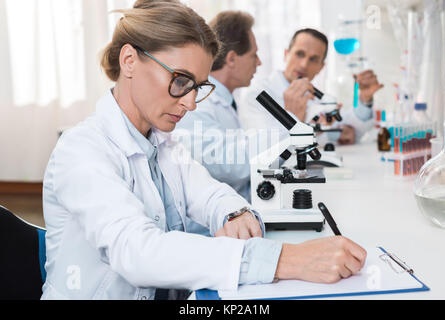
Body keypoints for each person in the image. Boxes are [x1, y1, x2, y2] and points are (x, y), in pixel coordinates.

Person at [41, 1, 367, 300]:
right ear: (129, 60)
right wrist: (286, 259)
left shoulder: (164, 143)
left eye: (197, 86)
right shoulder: (82, 151)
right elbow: (136, 252)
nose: (191, 102)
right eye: (180, 80)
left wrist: (234, 212)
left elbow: (211, 194)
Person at [240, 28, 384, 145]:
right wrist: (294, 117)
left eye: (313, 59)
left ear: (321, 67)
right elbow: (265, 149)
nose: (304, 65)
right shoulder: (257, 97)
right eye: (299, 54)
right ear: (286, 54)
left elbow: (351, 131)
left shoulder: (315, 96)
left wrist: (365, 99)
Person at [176, 11, 261, 204]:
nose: (259, 62)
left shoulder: (225, 100)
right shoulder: (198, 102)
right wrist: (284, 133)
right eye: (253, 55)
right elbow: (226, 164)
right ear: (231, 59)